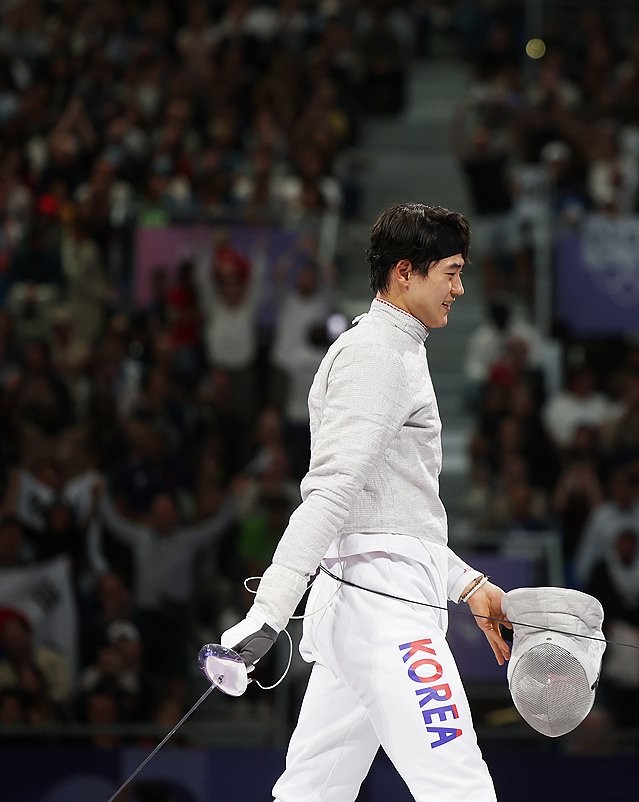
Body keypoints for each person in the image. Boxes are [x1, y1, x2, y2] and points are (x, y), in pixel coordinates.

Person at [214, 203, 509, 801]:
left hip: (370, 602)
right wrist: (268, 612)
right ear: (406, 272)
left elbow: (388, 512)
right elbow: (331, 492)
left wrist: (469, 585)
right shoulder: (377, 354)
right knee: (462, 792)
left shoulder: (396, 350)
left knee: (311, 795)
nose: (458, 287)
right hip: (387, 614)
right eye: (450, 272)